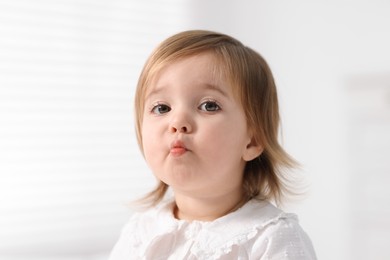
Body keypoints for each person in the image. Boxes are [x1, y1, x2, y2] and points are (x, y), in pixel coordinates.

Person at [109, 30, 317, 259]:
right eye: (162, 108)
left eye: (208, 106)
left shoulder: (272, 239)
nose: (178, 122)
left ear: (253, 140)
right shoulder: (140, 233)